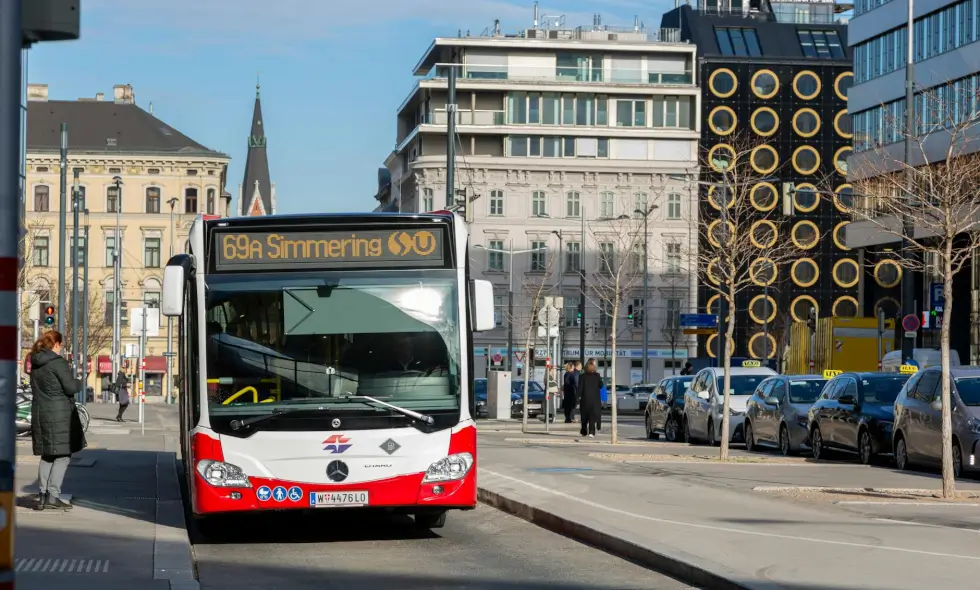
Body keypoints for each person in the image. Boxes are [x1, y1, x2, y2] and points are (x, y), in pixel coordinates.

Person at [29, 330, 85, 510]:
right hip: (59, 414)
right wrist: (79, 382)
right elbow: (69, 388)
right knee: (62, 455)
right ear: (56, 344)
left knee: (47, 454)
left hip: (41, 412)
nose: (61, 349)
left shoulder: (36, 363)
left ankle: (43, 495)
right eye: (60, 345)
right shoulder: (57, 362)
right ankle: (53, 495)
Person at [576, 360, 603, 438]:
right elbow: (601, 385)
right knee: (592, 416)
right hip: (595, 400)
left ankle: (584, 431)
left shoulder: (582, 376)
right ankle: (591, 432)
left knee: (584, 416)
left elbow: (580, 388)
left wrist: (577, 397)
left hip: (585, 399)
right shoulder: (597, 376)